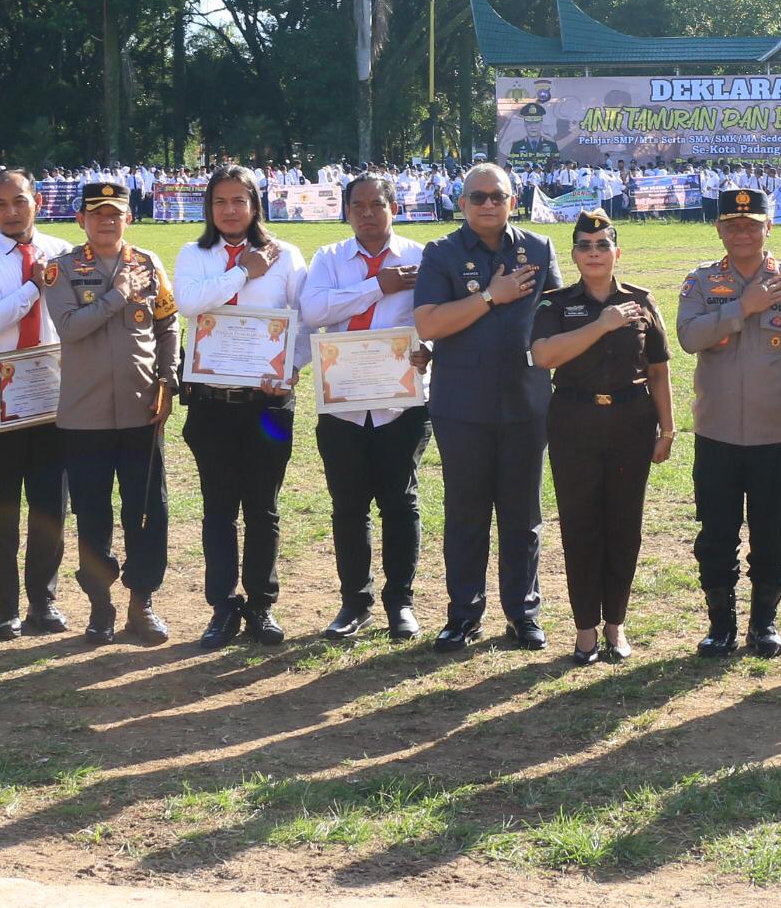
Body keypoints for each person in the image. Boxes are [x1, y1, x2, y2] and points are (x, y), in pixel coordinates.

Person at [412, 161, 560, 651]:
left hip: (526, 399)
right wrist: (491, 298)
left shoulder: (538, 248)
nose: (488, 204)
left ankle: (523, 613)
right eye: (478, 197)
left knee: (522, 517)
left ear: (513, 201)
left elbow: (558, 315)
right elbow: (430, 324)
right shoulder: (442, 253)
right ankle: (463, 615)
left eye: (497, 196)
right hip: (462, 405)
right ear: (462, 203)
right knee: (467, 515)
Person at [676, 186, 781, 658]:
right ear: (718, 228)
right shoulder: (699, 282)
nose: (742, 233)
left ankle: (764, 624)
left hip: (772, 431)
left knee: (770, 530)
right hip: (716, 431)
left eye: (751, 224)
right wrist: (743, 307)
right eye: (732, 225)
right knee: (716, 531)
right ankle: (721, 624)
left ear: (768, 227)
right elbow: (688, 337)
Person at [530, 212, 673, 664]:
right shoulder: (555, 304)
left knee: (624, 524)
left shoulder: (643, 301)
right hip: (575, 420)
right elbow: (543, 356)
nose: (594, 253)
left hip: (632, 421)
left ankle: (616, 623)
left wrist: (667, 428)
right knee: (580, 525)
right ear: (573, 255)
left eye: (602, 244)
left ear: (617, 252)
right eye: (585, 245)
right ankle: (585, 629)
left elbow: (658, 370)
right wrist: (601, 325)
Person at [174, 164, 307, 648]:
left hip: (268, 405)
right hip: (211, 406)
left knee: (263, 508)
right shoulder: (195, 254)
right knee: (218, 510)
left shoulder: (288, 256)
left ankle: (261, 606)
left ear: (255, 205)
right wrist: (242, 271)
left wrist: (293, 369)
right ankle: (222, 607)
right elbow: (188, 304)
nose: (230, 210)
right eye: (220, 202)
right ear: (209, 208)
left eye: (239, 201)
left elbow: (304, 322)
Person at [44, 179, 181, 645]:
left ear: (129, 218)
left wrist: (168, 375)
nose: (106, 220)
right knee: (92, 514)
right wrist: (118, 294)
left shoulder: (149, 263)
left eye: (115, 213)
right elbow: (69, 328)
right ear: (80, 219)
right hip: (85, 416)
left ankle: (142, 603)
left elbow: (167, 323)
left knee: (147, 512)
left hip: (143, 409)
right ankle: (100, 605)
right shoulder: (59, 270)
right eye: (96, 213)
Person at [297, 172, 431, 642]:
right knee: (348, 505)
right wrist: (380, 285)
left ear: (394, 208)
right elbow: (314, 312)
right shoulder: (329, 258)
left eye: (378, 204)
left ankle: (401, 603)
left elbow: (433, 318)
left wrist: (429, 347)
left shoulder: (421, 256)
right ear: (346, 210)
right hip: (344, 406)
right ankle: (355, 603)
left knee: (400, 502)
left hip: (402, 405)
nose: (368, 213)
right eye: (359, 205)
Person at [0, 168, 75, 637]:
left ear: (38, 201)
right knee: (1, 501)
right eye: (0, 204)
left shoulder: (65, 251)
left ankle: (42, 603)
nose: (10, 212)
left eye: (19, 202)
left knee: (51, 501)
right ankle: (4, 607)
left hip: (52, 387)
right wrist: (33, 284)